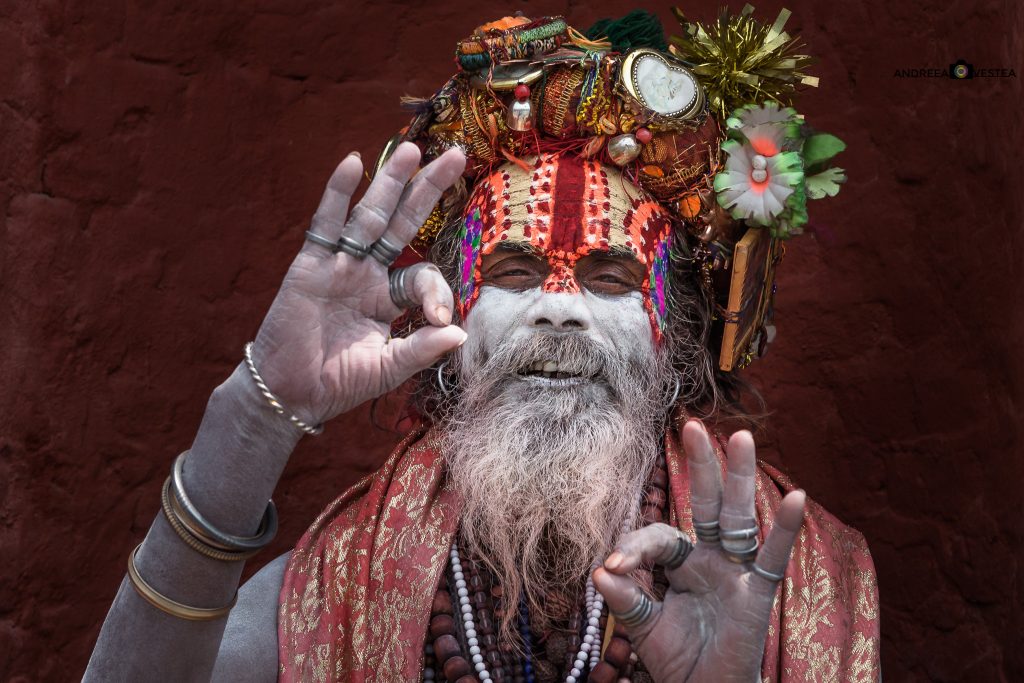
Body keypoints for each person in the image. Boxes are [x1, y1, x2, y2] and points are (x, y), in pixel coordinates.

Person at [84, 10, 880, 683]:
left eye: (608, 278)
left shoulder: (811, 583)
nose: (558, 310)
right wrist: (257, 417)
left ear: (675, 340)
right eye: (513, 269)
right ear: (448, 319)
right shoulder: (343, 586)